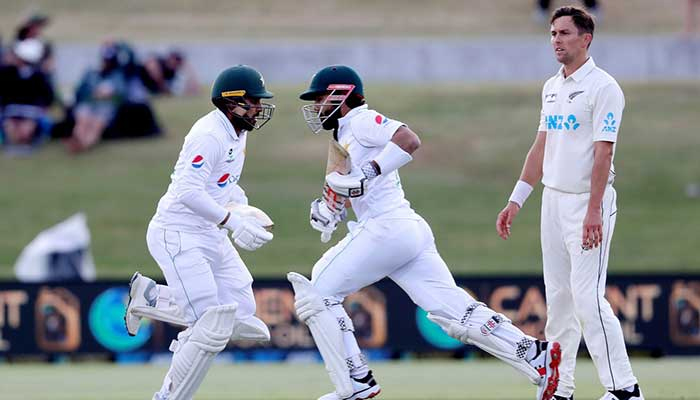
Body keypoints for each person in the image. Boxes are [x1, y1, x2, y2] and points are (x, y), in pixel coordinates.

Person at [289, 65, 562, 400]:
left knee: (319, 290)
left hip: (387, 228)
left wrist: (368, 174)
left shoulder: (360, 120)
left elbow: (408, 140)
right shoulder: (343, 135)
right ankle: (535, 354)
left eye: (320, 99)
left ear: (342, 94)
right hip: (405, 231)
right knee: (454, 313)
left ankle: (356, 379)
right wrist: (328, 210)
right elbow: (347, 190)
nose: (317, 107)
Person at [496, 7, 643, 400]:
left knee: (587, 298)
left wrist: (594, 210)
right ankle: (561, 388)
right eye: (552, 33)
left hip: (586, 204)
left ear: (585, 38)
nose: (556, 40)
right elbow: (541, 146)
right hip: (553, 202)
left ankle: (625, 388)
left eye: (564, 33)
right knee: (558, 302)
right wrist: (516, 200)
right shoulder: (551, 87)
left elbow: (603, 154)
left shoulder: (603, 87)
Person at [123, 65, 275, 400]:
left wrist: (241, 208)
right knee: (209, 327)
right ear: (230, 102)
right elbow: (188, 192)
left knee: (242, 313)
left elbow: (222, 184)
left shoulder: (239, 132)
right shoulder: (209, 134)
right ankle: (167, 396)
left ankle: (150, 296)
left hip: (210, 233)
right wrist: (231, 221)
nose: (259, 108)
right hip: (178, 233)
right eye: (253, 102)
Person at [0, 38, 54, 154]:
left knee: (24, 131)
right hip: (11, 108)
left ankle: (27, 141)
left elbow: (48, 94)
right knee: (10, 129)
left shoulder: (39, 75)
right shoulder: (8, 72)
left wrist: (44, 107)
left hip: (31, 110)